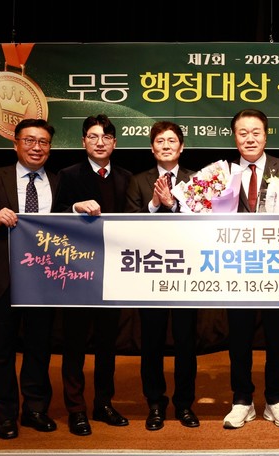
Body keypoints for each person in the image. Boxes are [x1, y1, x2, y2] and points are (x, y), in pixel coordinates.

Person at [0, 118, 58, 439]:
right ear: (16, 143)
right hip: (1, 278)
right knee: (1, 352)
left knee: (39, 348)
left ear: (50, 148)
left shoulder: (58, 182)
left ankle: (35, 409)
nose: (36, 147)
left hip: (43, 280)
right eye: (29, 140)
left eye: (43, 142)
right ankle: (5, 416)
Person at [53, 114, 132, 436]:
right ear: (83, 141)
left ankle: (103, 403)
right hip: (77, 273)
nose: (100, 143)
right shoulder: (68, 175)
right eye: (93, 136)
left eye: (106, 137)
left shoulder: (127, 178)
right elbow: (53, 216)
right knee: (73, 343)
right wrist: (75, 208)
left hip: (112, 272)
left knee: (106, 344)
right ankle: (76, 409)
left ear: (114, 143)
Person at [223, 108, 279, 429]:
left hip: (275, 267)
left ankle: (276, 400)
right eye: (243, 133)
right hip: (236, 267)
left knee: (277, 336)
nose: (250, 138)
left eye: (256, 132)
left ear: (266, 136)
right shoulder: (223, 173)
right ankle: (242, 400)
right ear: (235, 137)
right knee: (239, 336)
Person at [124, 121, 199, 430]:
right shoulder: (137, 181)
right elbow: (127, 225)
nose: (166, 145)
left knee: (186, 343)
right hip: (151, 272)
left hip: (187, 272)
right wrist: (155, 205)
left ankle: (184, 405)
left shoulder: (197, 179)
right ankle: (155, 404)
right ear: (152, 148)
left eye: (172, 141)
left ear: (181, 147)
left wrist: (175, 206)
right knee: (151, 342)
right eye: (160, 141)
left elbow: (206, 221)